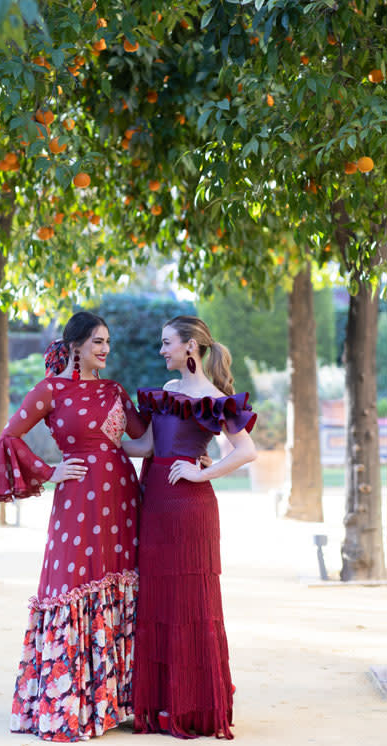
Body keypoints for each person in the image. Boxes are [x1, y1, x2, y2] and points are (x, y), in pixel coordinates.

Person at [0, 311, 147, 742]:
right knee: (72, 582)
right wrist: (48, 471)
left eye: (108, 343)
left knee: (123, 582)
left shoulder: (115, 391)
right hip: (77, 500)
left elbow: (139, 441)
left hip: (122, 498)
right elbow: (9, 436)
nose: (105, 350)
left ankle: (120, 704)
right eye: (97, 342)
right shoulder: (51, 389)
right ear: (74, 345)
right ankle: (73, 703)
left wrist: (187, 431)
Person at [122, 315, 257, 740]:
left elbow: (246, 450)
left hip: (190, 507)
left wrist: (203, 474)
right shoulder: (167, 393)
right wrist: (95, 442)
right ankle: (163, 706)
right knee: (158, 602)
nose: (162, 350)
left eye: (167, 343)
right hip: (157, 503)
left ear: (191, 348)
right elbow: (146, 446)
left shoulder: (215, 399)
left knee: (192, 606)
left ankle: (194, 708)